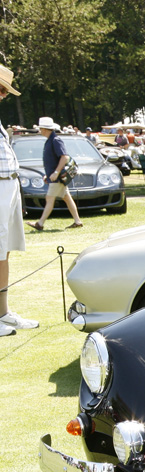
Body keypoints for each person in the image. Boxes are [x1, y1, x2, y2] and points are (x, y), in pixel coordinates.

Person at [0, 62, 36, 336]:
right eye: (1, 89)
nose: (2, 95)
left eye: (4, 91)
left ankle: (3, 312)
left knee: (5, 250)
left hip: (8, 186)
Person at [25, 117, 84, 232]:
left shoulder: (55, 140)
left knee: (49, 198)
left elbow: (64, 157)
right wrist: (49, 174)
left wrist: (56, 172)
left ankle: (40, 223)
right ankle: (78, 221)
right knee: (67, 198)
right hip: (55, 177)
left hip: (57, 178)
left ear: (45, 129)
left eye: (41, 128)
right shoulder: (50, 140)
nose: (40, 131)